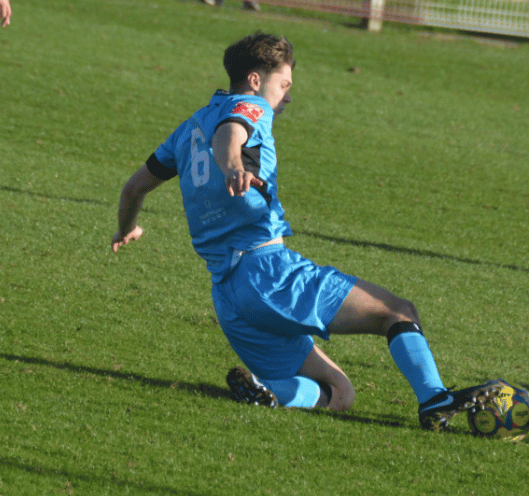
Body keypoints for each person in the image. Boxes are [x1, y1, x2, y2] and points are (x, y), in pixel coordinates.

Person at [111, 31, 498, 427]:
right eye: (285, 85)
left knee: (339, 393)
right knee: (397, 312)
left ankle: (269, 391)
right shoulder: (250, 105)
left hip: (228, 298)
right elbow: (233, 131)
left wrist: (128, 228)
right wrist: (232, 166)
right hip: (268, 274)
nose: (288, 98)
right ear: (256, 79)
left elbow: (133, 188)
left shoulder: (187, 128)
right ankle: (434, 399)